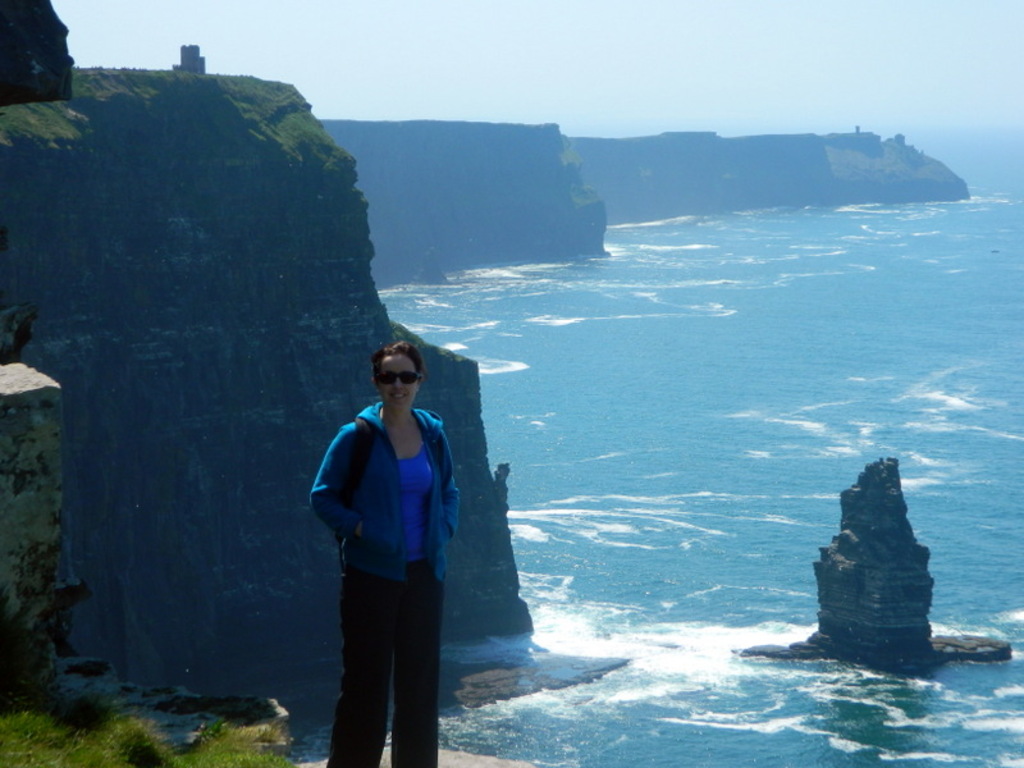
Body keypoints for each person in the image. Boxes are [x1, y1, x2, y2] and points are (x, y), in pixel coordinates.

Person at [310, 340, 460, 768]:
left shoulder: (433, 433)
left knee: (419, 685)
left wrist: (443, 530)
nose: (398, 385)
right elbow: (323, 497)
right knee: (366, 685)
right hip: (370, 577)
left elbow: (448, 490)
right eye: (388, 376)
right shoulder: (356, 436)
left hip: (425, 574)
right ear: (376, 381)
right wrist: (363, 530)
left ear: (420, 380)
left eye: (407, 376)